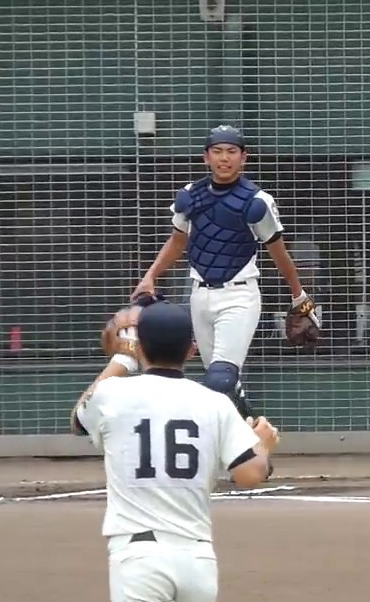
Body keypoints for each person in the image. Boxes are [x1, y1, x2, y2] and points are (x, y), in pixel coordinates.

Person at [72, 300, 279, 602]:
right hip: (198, 564)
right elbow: (251, 473)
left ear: (141, 346)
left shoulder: (114, 394)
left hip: (141, 563)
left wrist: (123, 357)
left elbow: (79, 418)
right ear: (192, 351)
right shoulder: (213, 403)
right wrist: (265, 446)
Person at [131, 124, 320, 419]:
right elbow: (178, 240)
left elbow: (278, 251)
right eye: (217, 151)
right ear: (206, 157)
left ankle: (245, 450)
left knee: (220, 380)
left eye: (231, 152)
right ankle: (245, 442)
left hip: (239, 294)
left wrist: (300, 297)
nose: (224, 158)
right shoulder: (190, 195)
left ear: (244, 158)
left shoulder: (258, 202)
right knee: (219, 389)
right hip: (199, 295)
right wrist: (150, 276)